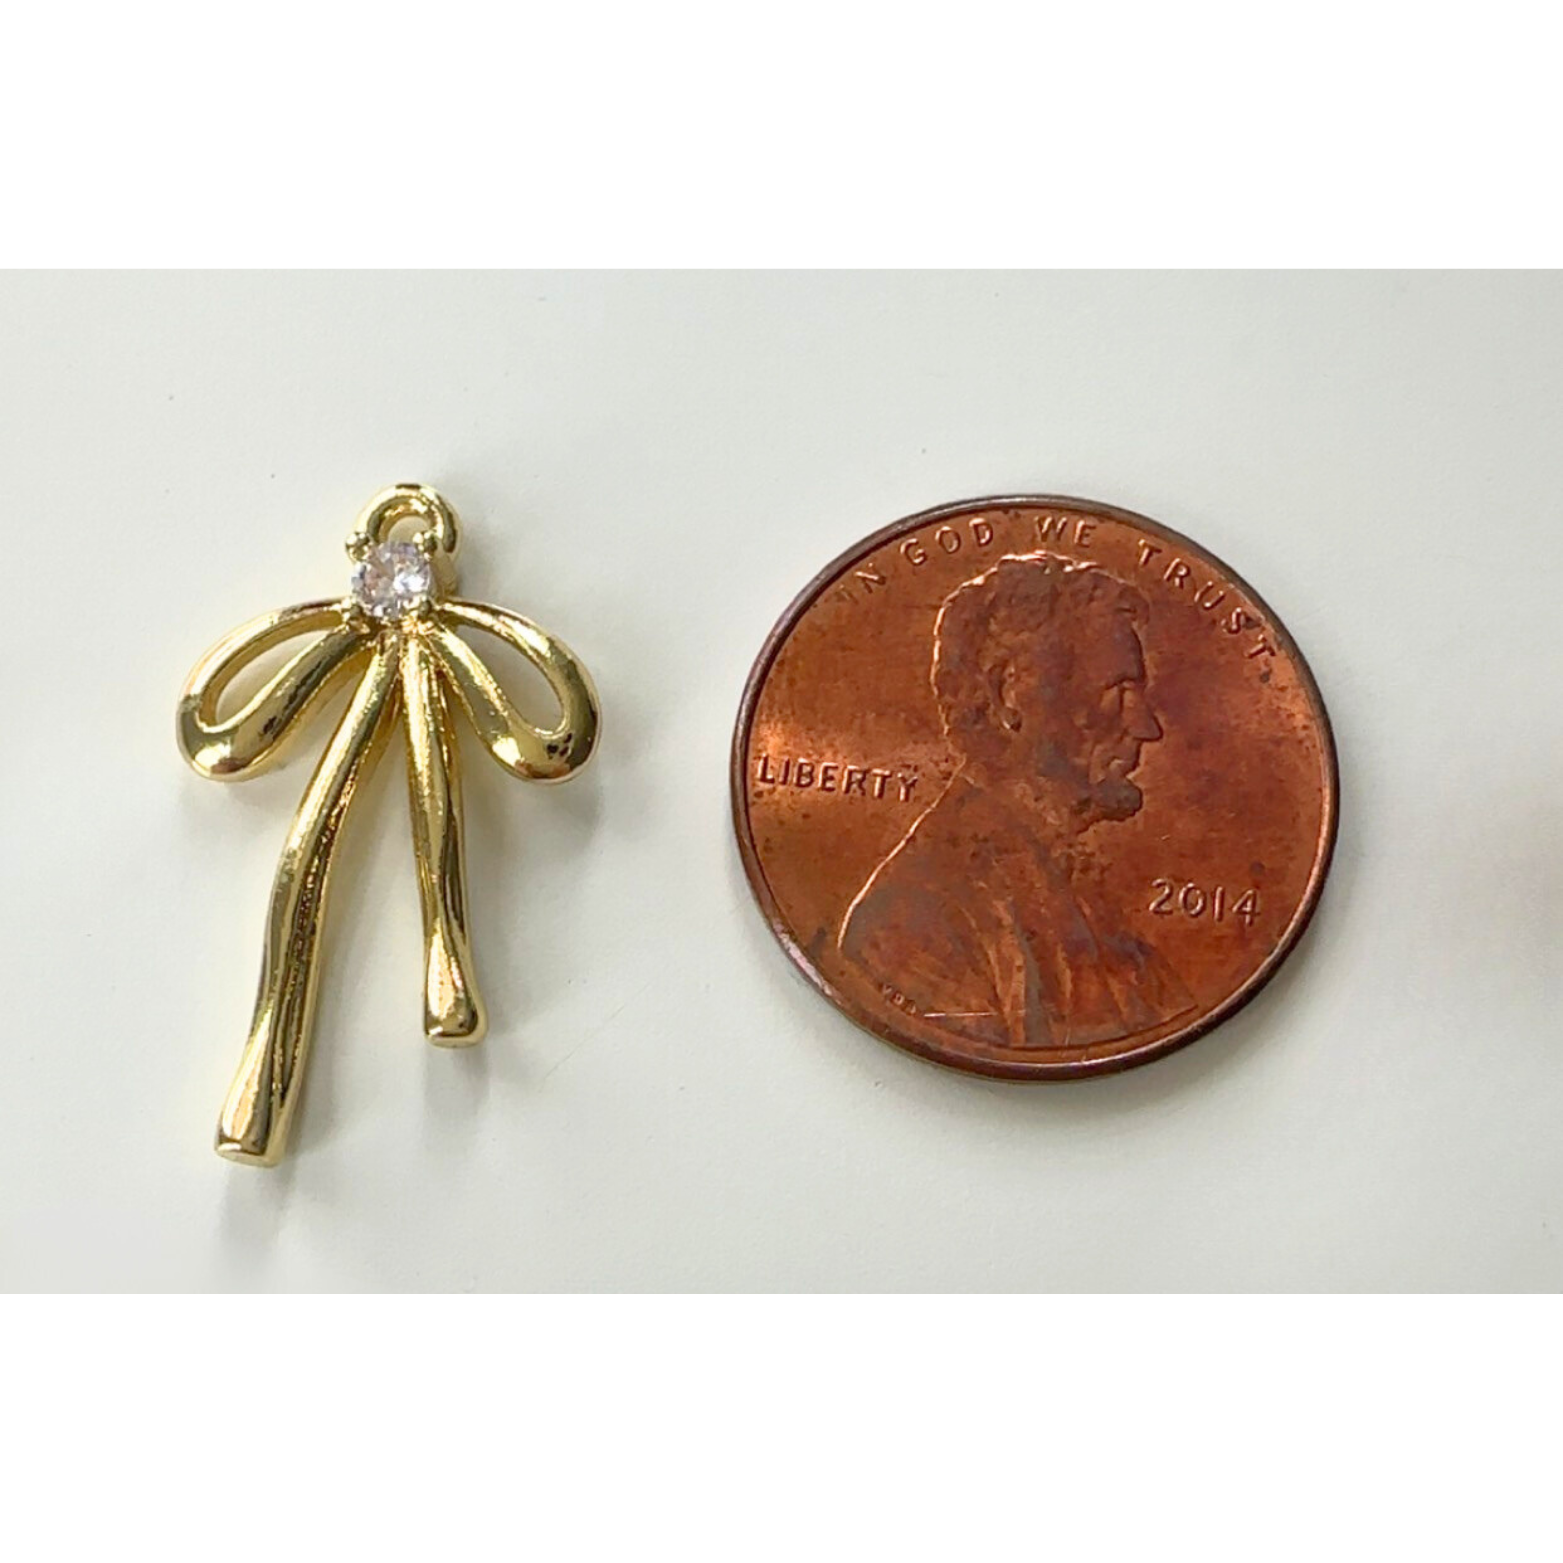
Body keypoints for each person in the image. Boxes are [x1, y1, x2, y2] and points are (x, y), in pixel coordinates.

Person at [839, 554, 1194, 1051]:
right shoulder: (913, 921)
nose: (1146, 726)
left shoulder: (1079, 896)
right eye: (1119, 691)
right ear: (1012, 695)